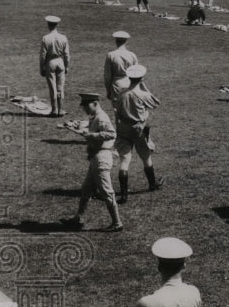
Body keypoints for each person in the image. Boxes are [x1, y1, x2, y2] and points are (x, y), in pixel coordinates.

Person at [60, 93, 123, 232]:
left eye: (87, 106)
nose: (85, 109)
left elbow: (112, 133)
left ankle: (117, 223)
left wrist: (92, 135)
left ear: (95, 103)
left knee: (107, 192)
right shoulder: (95, 116)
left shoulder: (101, 118)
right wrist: (77, 127)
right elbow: (90, 127)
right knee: (86, 189)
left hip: (101, 158)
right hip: (96, 157)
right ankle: (78, 218)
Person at [114, 65, 163, 204]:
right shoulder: (143, 94)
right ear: (141, 78)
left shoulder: (121, 93)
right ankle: (152, 185)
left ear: (129, 78)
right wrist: (144, 87)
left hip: (123, 128)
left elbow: (117, 111)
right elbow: (156, 102)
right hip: (139, 129)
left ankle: (123, 195)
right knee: (146, 157)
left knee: (124, 161)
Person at [39, 15, 69, 117]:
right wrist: (67, 66)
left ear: (48, 25)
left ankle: (54, 109)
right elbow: (66, 54)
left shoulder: (45, 38)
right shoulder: (63, 37)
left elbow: (43, 55)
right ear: (57, 25)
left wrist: (42, 67)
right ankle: (61, 109)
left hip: (50, 61)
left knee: (52, 87)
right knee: (60, 86)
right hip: (60, 61)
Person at [104, 31, 138, 101]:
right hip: (130, 85)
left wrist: (108, 90)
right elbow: (137, 75)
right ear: (126, 41)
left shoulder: (111, 55)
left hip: (116, 85)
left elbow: (107, 76)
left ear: (116, 41)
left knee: (117, 109)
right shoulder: (132, 55)